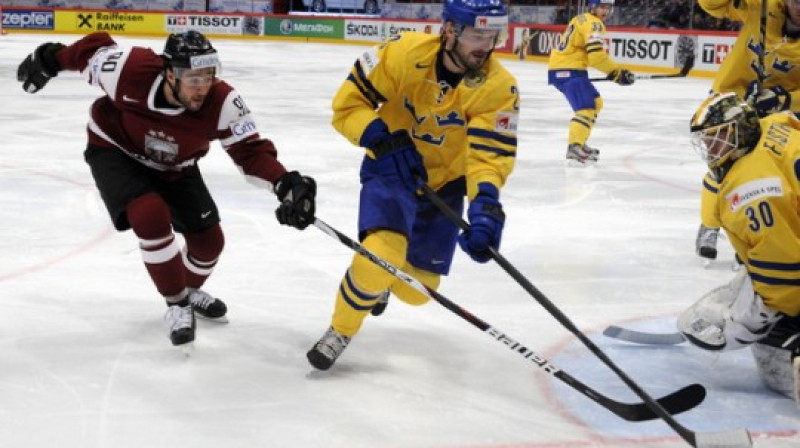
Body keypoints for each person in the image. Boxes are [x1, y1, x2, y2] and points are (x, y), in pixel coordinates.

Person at [16, 31, 317, 349]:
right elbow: (93, 50)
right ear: (170, 74)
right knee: (149, 215)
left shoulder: (224, 103)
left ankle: (186, 290)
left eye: (209, 76)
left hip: (176, 165)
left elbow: (251, 152)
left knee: (209, 243)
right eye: (193, 79)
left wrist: (286, 184)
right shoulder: (129, 71)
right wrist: (50, 58)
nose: (203, 87)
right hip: (116, 149)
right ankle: (177, 305)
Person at [306, 0, 520, 370]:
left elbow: (488, 156)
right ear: (449, 30)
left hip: (445, 184)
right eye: (476, 34)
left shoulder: (499, 87)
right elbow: (347, 107)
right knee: (379, 256)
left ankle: (384, 283)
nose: (485, 45)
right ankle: (341, 329)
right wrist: (382, 139)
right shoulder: (402, 54)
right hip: (391, 171)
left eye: (493, 36)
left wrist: (485, 205)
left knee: (418, 292)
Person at [679, 92, 800, 400]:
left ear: (740, 130)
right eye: (707, 140)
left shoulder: (752, 188)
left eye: (718, 138)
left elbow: (785, 280)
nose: (710, 148)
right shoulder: (774, 125)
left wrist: (745, 325)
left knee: (774, 356)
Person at [694, 0, 800, 260]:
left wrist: (784, 99)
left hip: (783, 108)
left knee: (773, 170)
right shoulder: (762, 5)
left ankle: (758, 233)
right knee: (722, 163)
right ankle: (710, 224)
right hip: (732, 96)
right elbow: (712, 6)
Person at [547, 0, 634, 167]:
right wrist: (617, 73)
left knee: (595, 103)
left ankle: (580, 143)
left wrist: (616, 74)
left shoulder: (581, 18)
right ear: (593, 7)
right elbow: (596, 57)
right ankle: (574, 147)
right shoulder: (594, 24)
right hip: (568, 69)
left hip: (567, 68)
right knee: (585, 109)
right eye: (602, 7)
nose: (605, 11)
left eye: (608, 7)